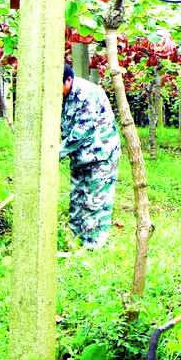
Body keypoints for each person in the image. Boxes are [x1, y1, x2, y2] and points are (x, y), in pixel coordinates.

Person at [59, 61, 119, 250]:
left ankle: (94, 246)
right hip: (80, 157)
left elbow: (82, 130)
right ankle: (76, 240)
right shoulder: (62, 96)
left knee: (96, 201)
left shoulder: (87, 94)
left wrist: (55, 154)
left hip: (101, 156)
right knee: (78, 200)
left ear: (69, 80)